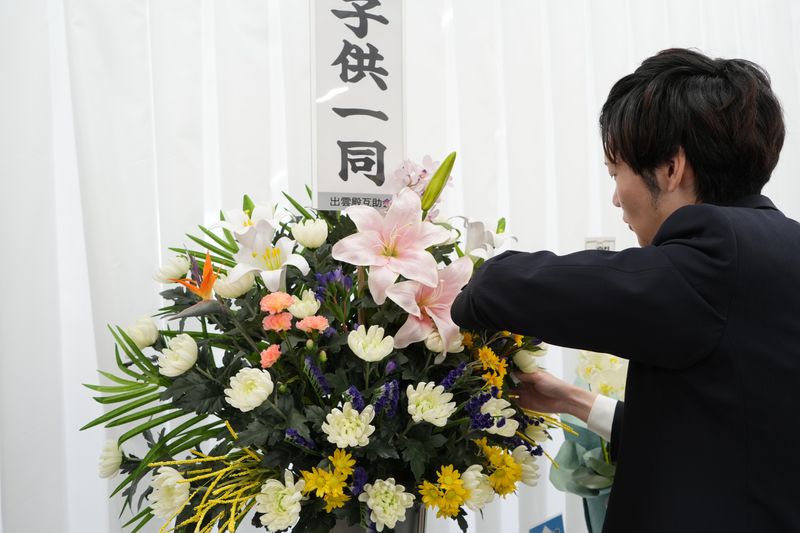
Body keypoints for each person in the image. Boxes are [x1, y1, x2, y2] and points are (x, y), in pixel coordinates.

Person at [450, 48, 800, 532]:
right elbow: (720, 437)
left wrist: (463, 280)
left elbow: (505, 286)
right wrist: (571, 400)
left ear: (672, 168)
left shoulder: (717, 252)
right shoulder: (782, 247)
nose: (616, 198)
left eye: (617, 173)